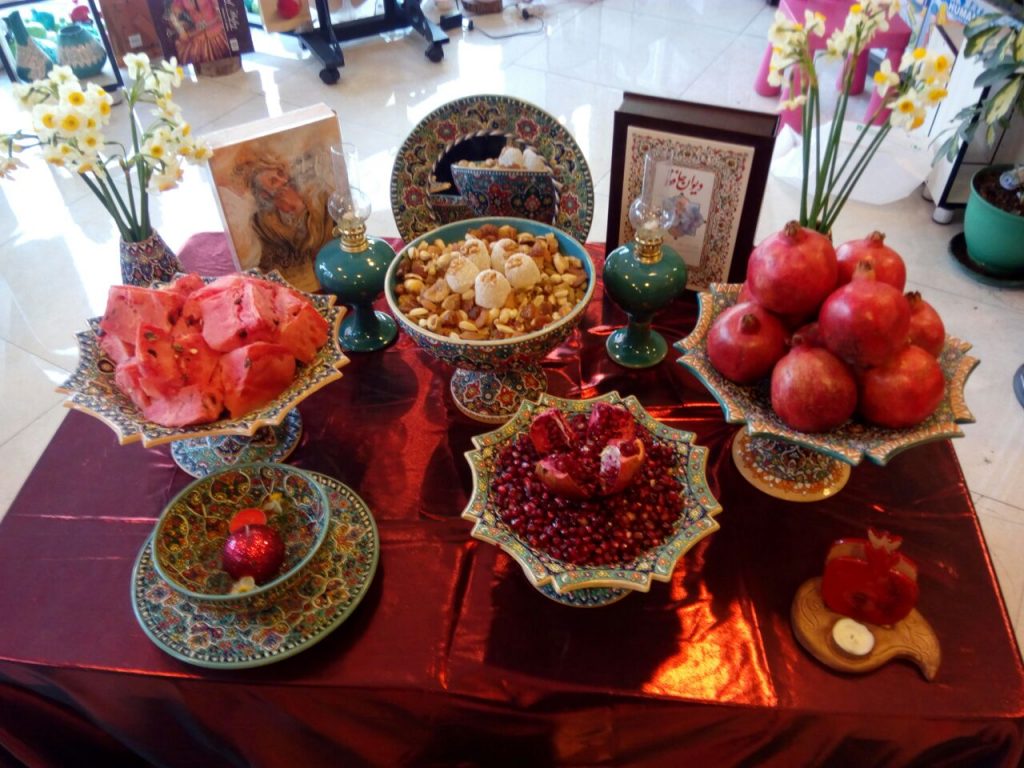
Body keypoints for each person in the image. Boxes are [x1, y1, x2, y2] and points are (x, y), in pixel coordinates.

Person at [245, 157, 333, 292]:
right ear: (264, 195)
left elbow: (320, 242)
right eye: (274, 181)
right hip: (294, 286)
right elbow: (270, 262)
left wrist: (300, 210)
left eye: (281, 174)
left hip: (329, 273)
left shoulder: (318, 199)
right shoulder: (262, 223)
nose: (284, 181)